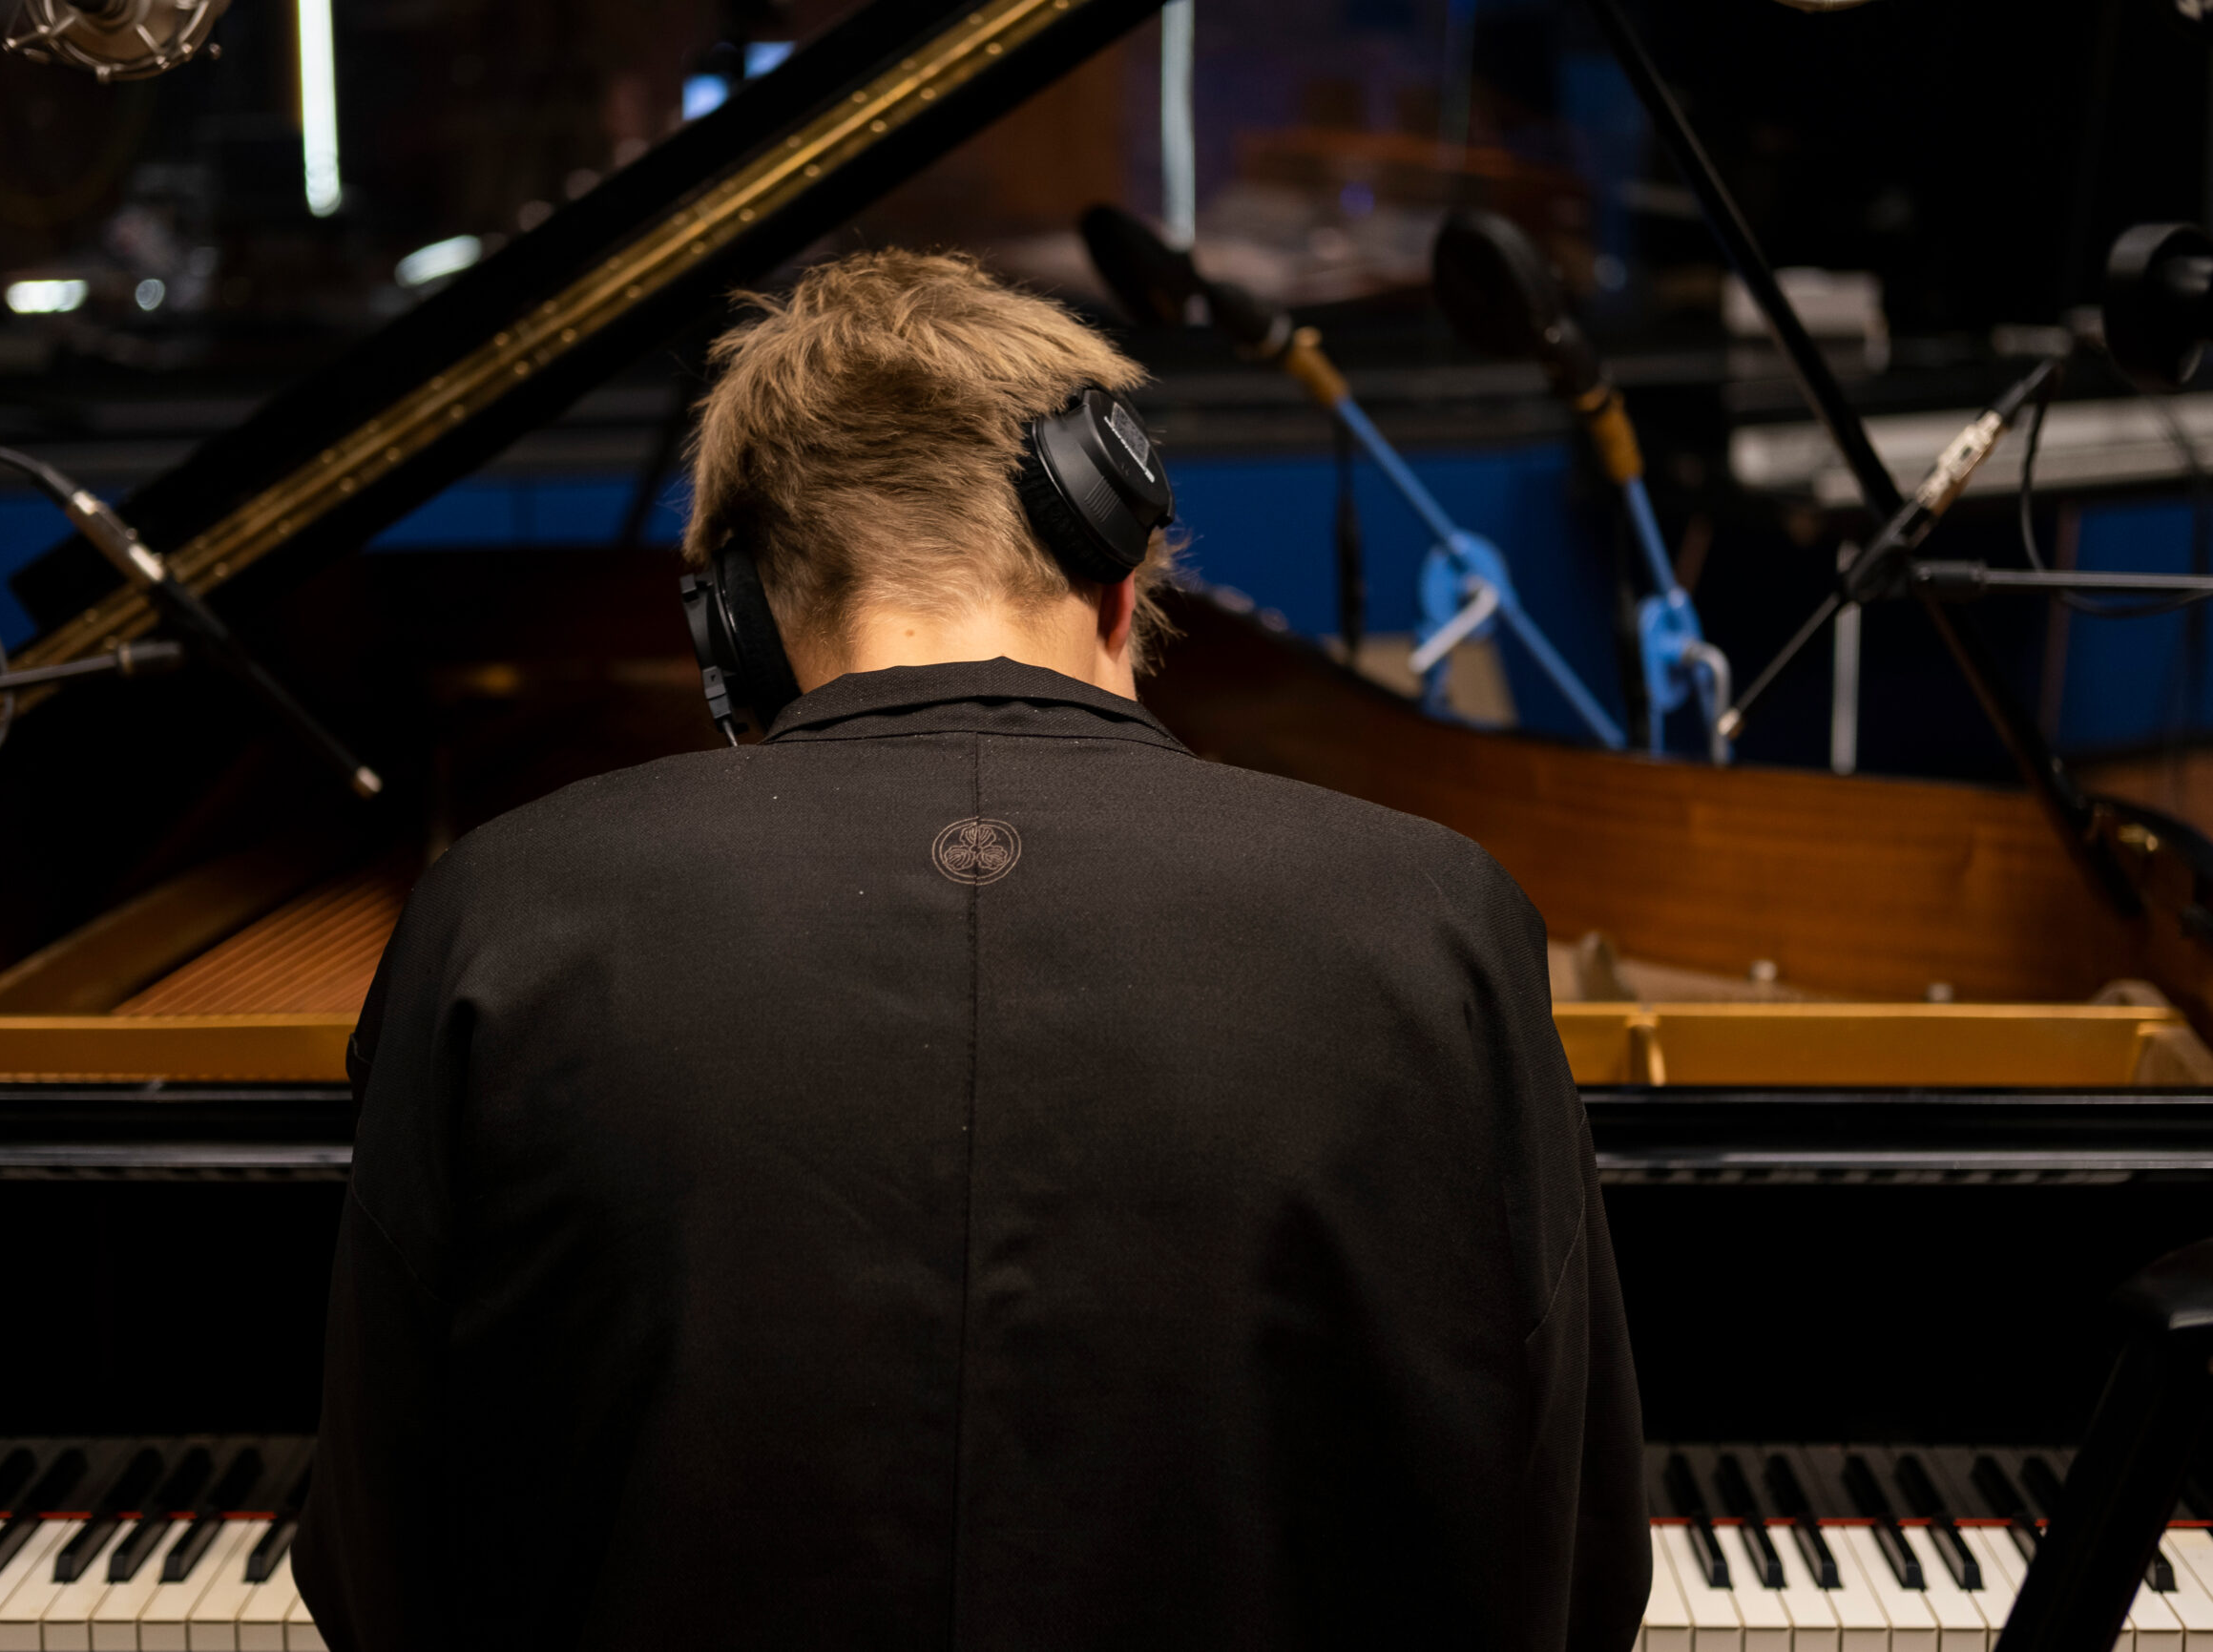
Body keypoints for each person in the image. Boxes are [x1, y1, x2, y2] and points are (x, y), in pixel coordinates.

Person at [297, 249, 1648, 1651]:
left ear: (737, 631)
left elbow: (380, 1576)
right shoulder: (1437, 920)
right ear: (1122, 584)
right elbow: (1568, 1571)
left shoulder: (500, 914)